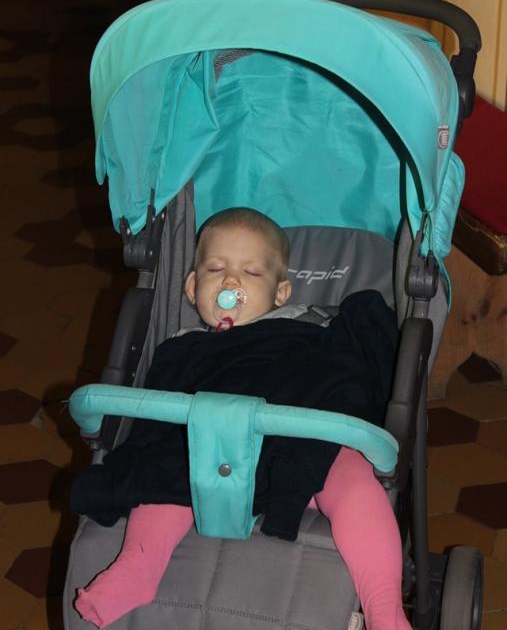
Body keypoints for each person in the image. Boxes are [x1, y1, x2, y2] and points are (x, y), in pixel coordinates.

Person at [74, 208, 410, 630]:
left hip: (303, 452)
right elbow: (157, 421)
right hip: (205, 460)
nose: (231, 282)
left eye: (251, 272)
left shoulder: (312, 328)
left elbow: (339, 378)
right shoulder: (183, 346)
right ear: (192, 287)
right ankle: (138, 567)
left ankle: (384, 608)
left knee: (355, 478)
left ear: (281, 292)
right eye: (216, 269)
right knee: (158, 471)